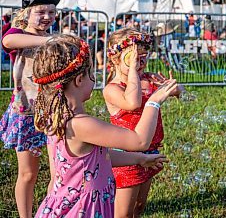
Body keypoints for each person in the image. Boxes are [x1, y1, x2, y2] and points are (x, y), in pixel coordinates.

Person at [32, 35, 176, 217]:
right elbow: (140, 141)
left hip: (67, 202)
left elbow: (98, 156)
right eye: (91, 75)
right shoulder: (81, 124)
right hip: (84, 209)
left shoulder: (58, 118)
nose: (94, 79)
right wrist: (154, 102)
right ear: (78, 80)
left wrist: (138, 159)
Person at [103, 28, 182, 217]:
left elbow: (179, 90)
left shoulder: (148, 79)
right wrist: (133, 71)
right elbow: (133, 102)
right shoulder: (112, 89)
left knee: (139, 205)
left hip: (150, 151)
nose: (139, 63)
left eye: (143, 57)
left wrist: (174, 88)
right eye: (132, 58)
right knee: (123, 214)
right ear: (115, 59)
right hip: (127, 157)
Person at [0, 0, 62, 218]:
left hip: (53, 113)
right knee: (28, 174)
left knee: (58, 174)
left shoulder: (54, 40)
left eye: (52, 12)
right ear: (26, 13)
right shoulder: (18, 33)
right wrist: (52, 40)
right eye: (41, 12)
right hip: (26, 115)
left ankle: (49, 212)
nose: (47, 17)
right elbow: (8, 40)